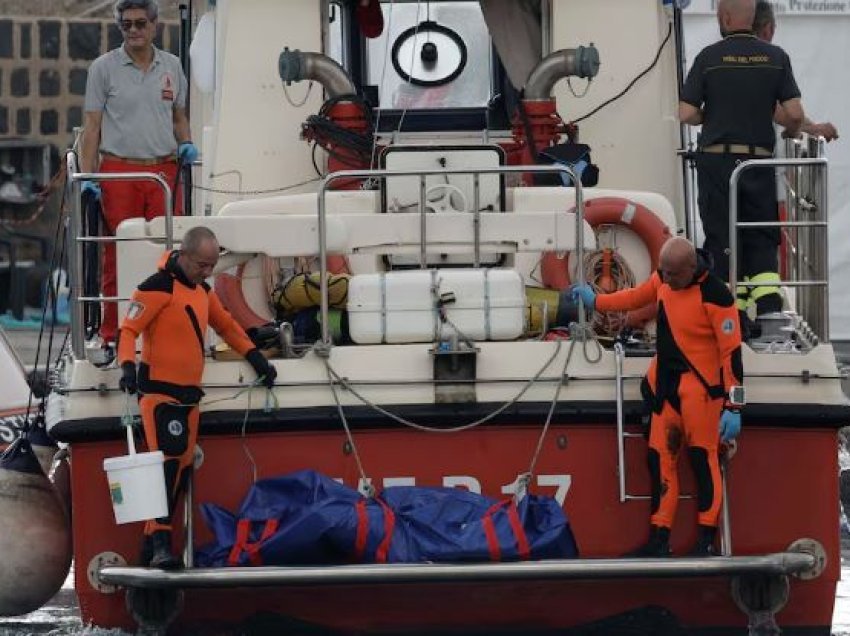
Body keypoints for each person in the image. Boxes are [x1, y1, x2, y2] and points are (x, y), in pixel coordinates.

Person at [572, 237, 744, 557]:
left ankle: (705, 540)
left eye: (672, 274)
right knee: (658, 461)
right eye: (661, 272)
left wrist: (735, 405)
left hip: (702, 393)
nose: (665, 279)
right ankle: (659, 538)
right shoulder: (664, 278)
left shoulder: (717, 296)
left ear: (690, 269)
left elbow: (731, 356)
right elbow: (634, 296)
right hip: (666, 388)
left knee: (702, 461)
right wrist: (596, 301)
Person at [117, 226, 276, 569]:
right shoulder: (155, 288)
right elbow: (128, 330)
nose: (207, 272)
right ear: (184, 255)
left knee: (182, 469)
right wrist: (127, 367)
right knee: (167, 465)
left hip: (189, 396)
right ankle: (161, 546)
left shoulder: (203, 292)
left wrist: (255, 358)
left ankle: (149, 547)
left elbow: (228, 327)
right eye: (202, 265)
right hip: (160, 392)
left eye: (211, 265)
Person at [679, 0, 804, 335]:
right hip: (757, 163)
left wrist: (712, 117)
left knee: (721, 236)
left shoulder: (708, 58)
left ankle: (728, 317)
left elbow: (686, 113)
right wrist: (794, 133)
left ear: (725, 17)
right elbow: (792, 114)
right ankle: (769, 315)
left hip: (717, 162)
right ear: (752, 20)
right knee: (762, 236)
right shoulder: (776, 58)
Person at [80, 0, 199, 349]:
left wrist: (187, 143)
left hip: (164, 170)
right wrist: (89, 178)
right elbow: (92, 127)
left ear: (154, 25)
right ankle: (113, 332)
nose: (133, 30)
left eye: (140, 23)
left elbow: (179, 117)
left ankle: (166, 325)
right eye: (126, 24)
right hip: (120, 170)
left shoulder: (173, 67)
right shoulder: (103, 68)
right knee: (119, 253)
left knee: (168, 251)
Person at [753, 0, 839, 142]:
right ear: (768, 29)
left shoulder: (718, 55)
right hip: (753, 155)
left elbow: (775, 107)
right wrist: (810, 128)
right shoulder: (773, 59)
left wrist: (812, 127)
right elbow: (790, 114)